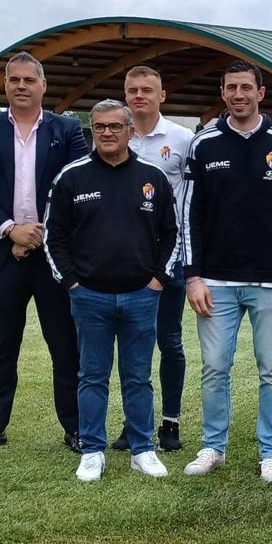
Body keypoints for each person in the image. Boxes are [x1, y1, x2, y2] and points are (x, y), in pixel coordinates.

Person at [180, 61, 272, 484]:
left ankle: (270, 450)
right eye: (231, 87)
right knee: (215, 367)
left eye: (246, 88)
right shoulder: (203, 144)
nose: (238, 94)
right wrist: (193, 276)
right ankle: (213, 447)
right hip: (215, 280)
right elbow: (190, 213)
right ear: (223, 92)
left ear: (260, 92)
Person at [0, 51, 88, 454]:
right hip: (1, 256)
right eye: (14, 79)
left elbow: (76, 189)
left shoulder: (67, 130)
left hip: (53, 260)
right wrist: (11, 230)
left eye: (29, 80)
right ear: (5, 84)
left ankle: (76, 428)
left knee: (65, 348)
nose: (20, 86)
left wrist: (39, 235)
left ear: (43, 85)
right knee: (0, 347)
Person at [43, 100, 179, 482]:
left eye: (115, 127)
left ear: (130, 131)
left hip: (141, 294)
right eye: (99, 126)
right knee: (92, 376)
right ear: (92, 131)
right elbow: (54, 237)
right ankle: (92, 450)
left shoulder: (153, 175)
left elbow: (172, 232)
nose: (106, 133)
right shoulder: (71, 176)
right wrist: (71, 282)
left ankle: (142, 449)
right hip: (90, 297)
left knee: (138, 377)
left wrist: (158, 280)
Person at [103, 64, 195, 453]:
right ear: (125, 95)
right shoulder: (112, 136)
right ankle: (133, 421)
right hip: (124, 260)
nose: (139, 95)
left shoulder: (183, 139)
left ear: (162, 96)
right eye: (133, 89)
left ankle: (170, 421)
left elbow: (191, 203)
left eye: (147, 90)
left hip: (167, 258)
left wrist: (186, 259)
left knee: (169, 341)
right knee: (131, 346)